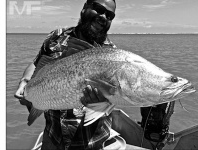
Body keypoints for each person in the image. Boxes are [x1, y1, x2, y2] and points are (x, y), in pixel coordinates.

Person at [15, 0, 175, 149]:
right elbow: (37, 63)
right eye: (99, 9)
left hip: (92, 143)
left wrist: (99, 103)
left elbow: (117, 97)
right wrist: (25, 81)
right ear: (84, 8)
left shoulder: (113, 55)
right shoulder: (57, 37)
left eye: (110, 16)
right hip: (53, 138)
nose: (103, 17)